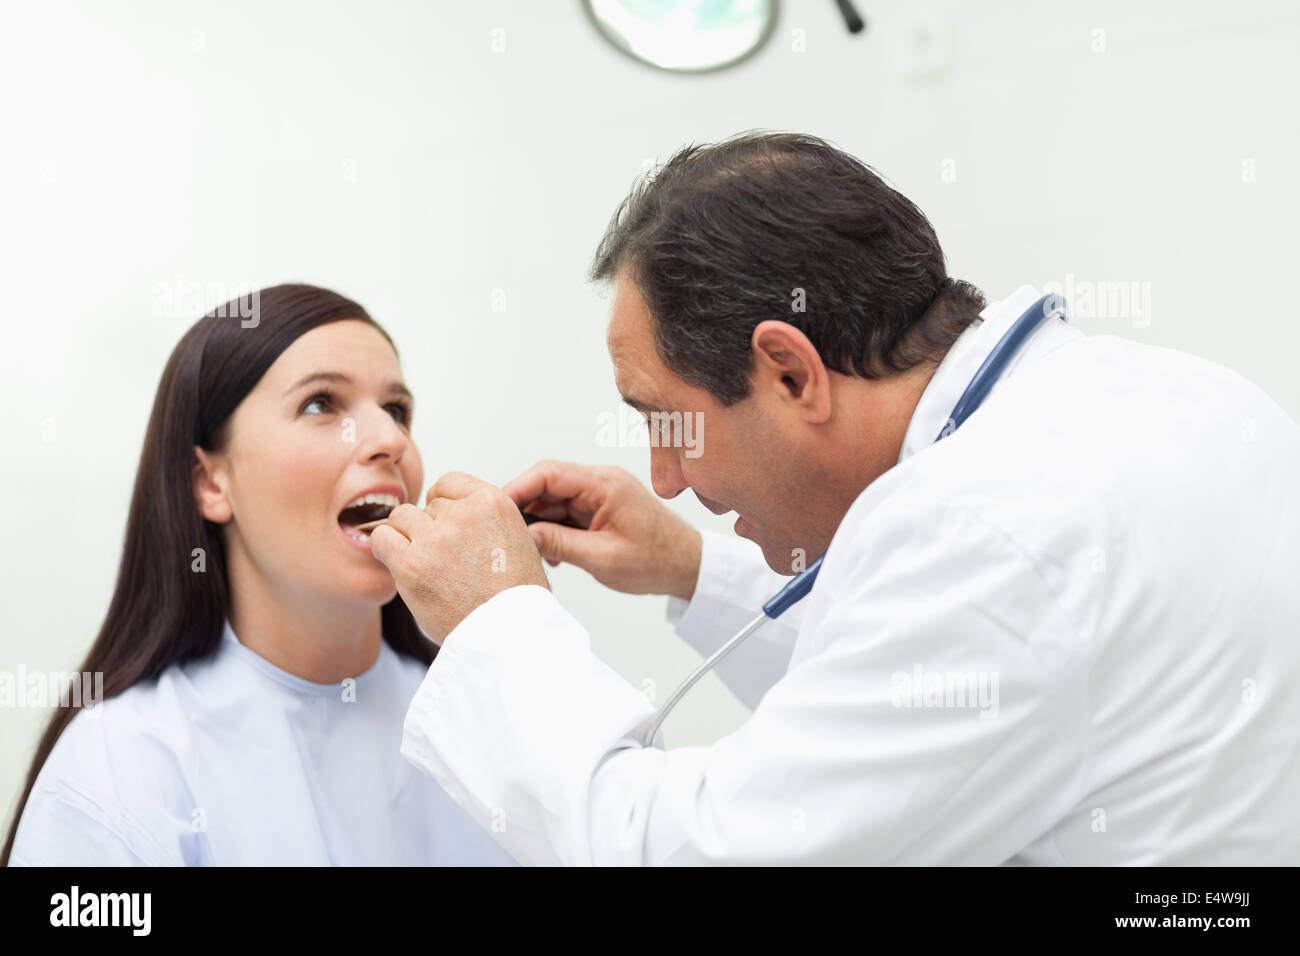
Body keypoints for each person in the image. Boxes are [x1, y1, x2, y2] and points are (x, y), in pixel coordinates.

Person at [371, 132, 1300, 865]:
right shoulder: (1166, 397)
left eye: (669, 422)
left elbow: (686, 853)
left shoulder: (981, 528)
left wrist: (499, 622)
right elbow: (937, 713)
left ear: (788, 371)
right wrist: (692, 568)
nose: (666, 478)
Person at [4, 284, 516, 866]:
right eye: (321, 404)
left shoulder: (488, 724)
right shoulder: (115, 773)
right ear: (209, 482)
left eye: (397, 411)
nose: (391, 440)